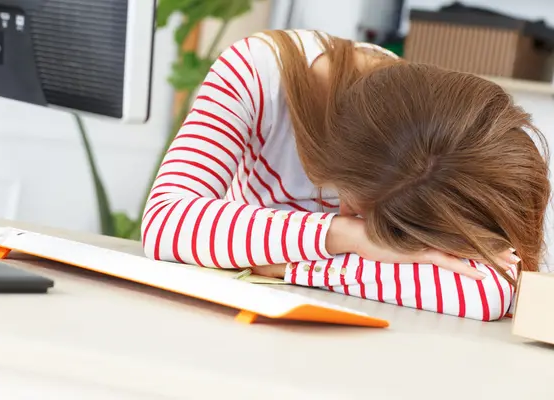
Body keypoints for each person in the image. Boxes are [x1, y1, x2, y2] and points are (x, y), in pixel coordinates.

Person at [141, 29, 550, 321]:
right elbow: (166, 222)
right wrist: (349, 236)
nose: (373, 229)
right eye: (371, 217)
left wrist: (288, 269)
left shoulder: (431, 145)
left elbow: (491, 289)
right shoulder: (256, 72)